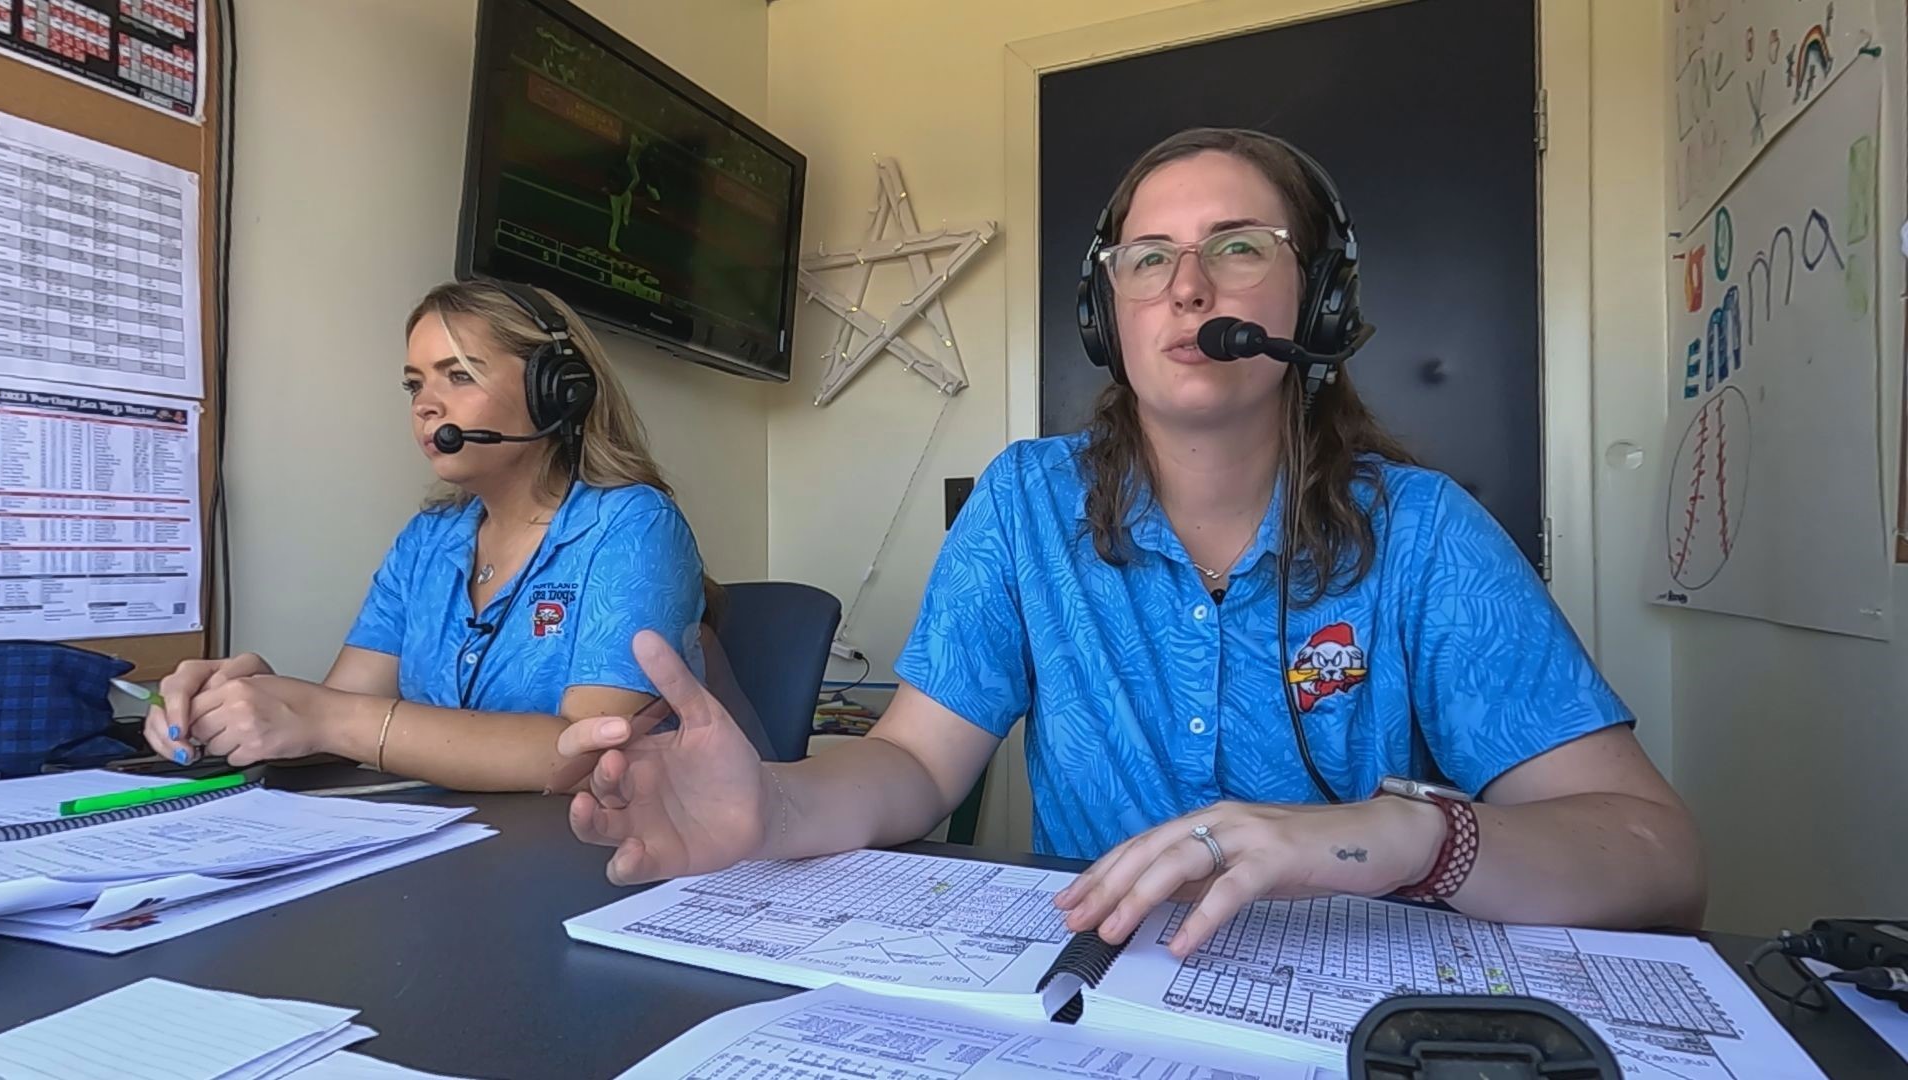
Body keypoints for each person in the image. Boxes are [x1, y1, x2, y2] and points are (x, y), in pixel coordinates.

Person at [559, 128, 1707, 948]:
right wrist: (776, 805)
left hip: (1351, 999)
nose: (1185, 283)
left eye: (1241, 244)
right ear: (1105, 314)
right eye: (1145, 257)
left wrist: (1404, 837)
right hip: (1095, 993)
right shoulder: (1021, 507)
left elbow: (1659, 859)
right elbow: (914, 765)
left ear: (1320, 302)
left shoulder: (1427, 534)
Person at [141, 280, 710, 792]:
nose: (425, 405)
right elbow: (342, 713)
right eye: (415, 384)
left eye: (459, 375)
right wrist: (253, 706)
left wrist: (324, 716)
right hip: (450, 846)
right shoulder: (427, 541)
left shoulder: (633, 523)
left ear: (558, 392)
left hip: (603, 849)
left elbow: (585, 752)